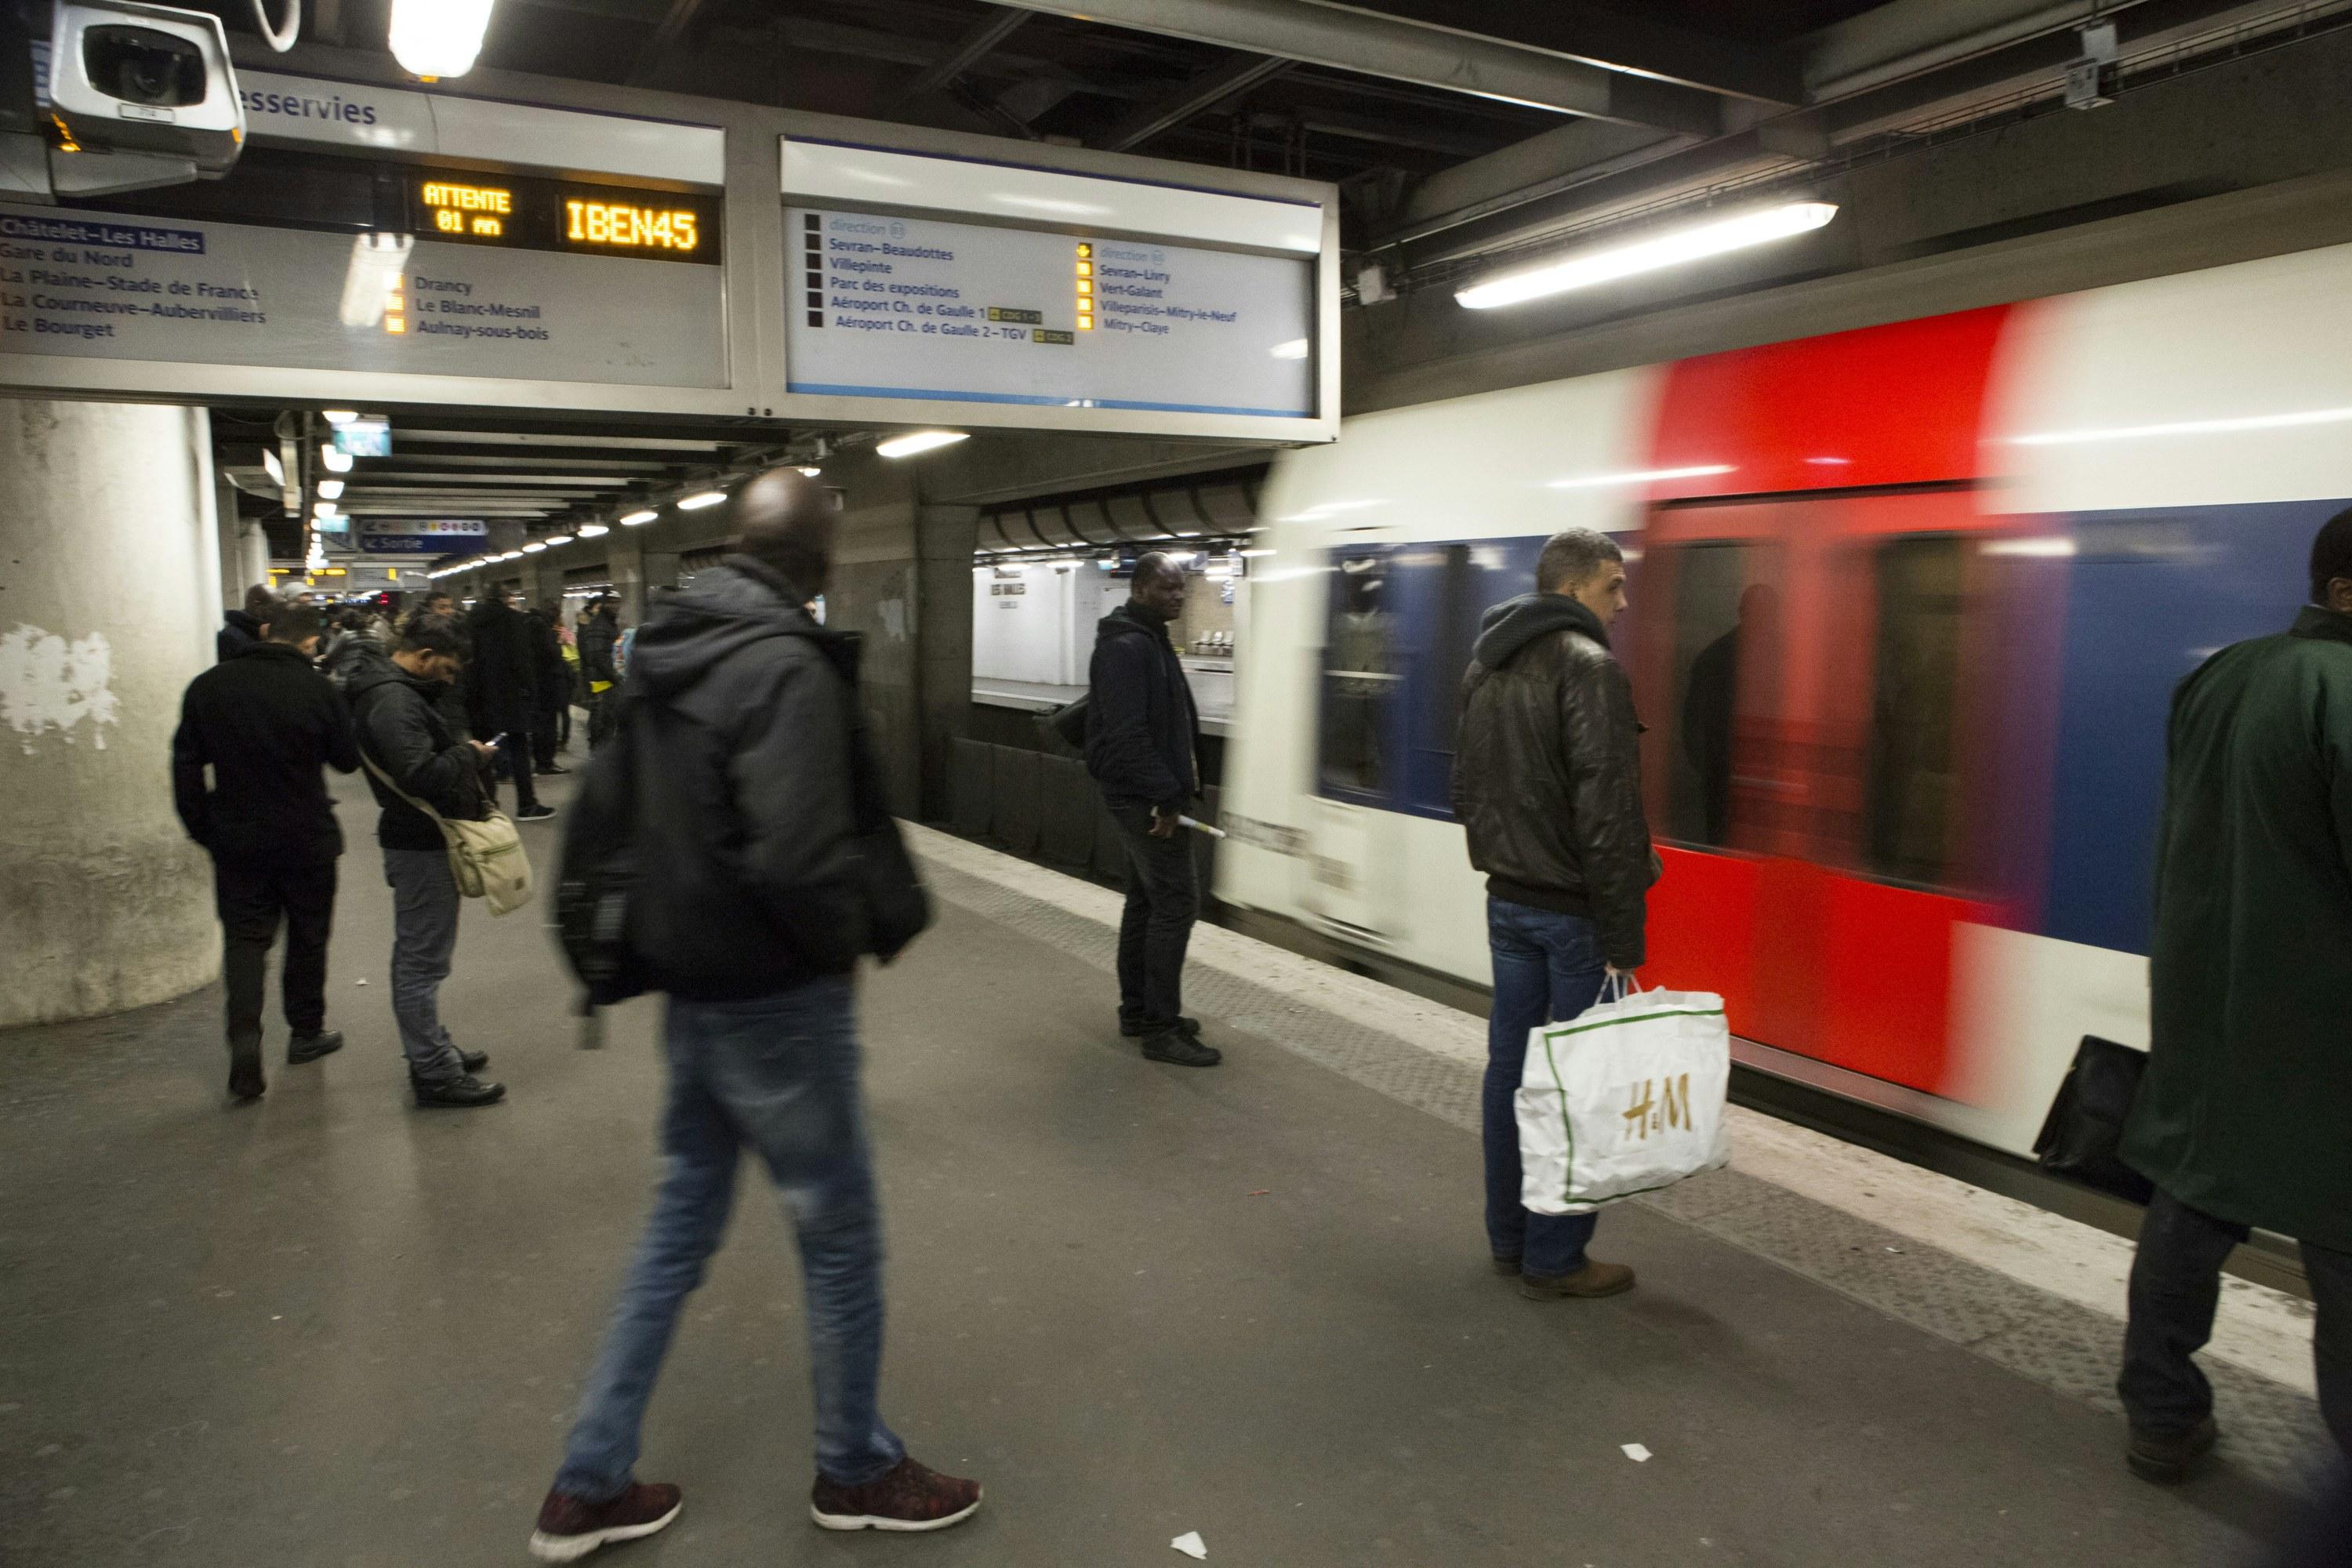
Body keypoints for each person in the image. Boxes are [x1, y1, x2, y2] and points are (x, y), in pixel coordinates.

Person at [529, 470, 972, 1561]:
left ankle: (586, 1484)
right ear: (816, 564)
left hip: (691, 987)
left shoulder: (665, 650)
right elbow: (796, 852)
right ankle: (857, 1469)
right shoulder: (782, 665)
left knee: (675, 1231)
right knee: (838, 1237)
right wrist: (846, 947)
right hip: (776, 999)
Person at [2116, 510, 2352, 1482]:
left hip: (2208, 1000)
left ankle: (2160, 1412)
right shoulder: (2341, 689)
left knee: (2194, 1199)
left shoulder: (2220, 671)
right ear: (2345, 591)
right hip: (2322, 1027)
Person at [1451, 528, 1655, 1301]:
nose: (1623, 601)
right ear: (1574, 588)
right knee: (1574, 1082)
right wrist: (1622, 933)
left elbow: (1467, 789)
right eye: (1614, 583)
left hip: (1508, 900)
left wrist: (1508, 860)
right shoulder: (1589, 669)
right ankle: (1557, 1254)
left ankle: (1510, 1237)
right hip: (1573, 913)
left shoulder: (1486, 663)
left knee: (1511, 1070)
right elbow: (1606, 811)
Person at [171, 601, 359, 1101]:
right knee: (307, 935)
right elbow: (346, 761)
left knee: (246, 940)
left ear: (266, 632)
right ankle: (305, 1034)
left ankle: (245, 1038)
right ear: (312, 643)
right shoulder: (317, 688)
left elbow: (185, 767)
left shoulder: (209, 687)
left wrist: (204, 828)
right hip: (306, 836)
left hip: (238, 839)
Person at [345, 615, 506, 1109]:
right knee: (420, 961)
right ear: (423, 658)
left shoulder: (389, 692)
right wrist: (468, 755)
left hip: (417, 839)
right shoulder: (395, 701)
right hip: (420, 842)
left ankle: (431, 1046)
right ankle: (433, 1071)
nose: (450, 680)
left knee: (421, 955)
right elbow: (419, 772)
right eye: (447, 670)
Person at [1083, 552, 1218, 1068]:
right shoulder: (1127, 647)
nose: (1178, 596)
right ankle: (1161, 1029)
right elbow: (1126, 736)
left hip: (1147, 792)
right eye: (1167, 588)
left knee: (1146, 901)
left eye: (1181, 588)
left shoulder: (1149, 640)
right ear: (1139, 590)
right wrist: (1165, 795)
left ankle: (1139, 1011)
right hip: (1144, 798)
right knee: (1177, 904)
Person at [466, 584, 555, 821]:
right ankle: (527, 804)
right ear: (506, 598)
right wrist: (531, 691)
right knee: (519, 749)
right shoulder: (514, 620)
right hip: (510, 694)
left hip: (479, 694)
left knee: (482, 753)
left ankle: (487, 808)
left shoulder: (470, 620)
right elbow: (522, 659)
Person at [525, 603, 569, 776]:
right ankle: (546, 763)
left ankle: (541, 761)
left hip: (536, 684)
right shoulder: (543, 629)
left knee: (539, 724)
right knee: (549, 725)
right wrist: (557, 641)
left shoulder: (529, 624)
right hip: (548, 685)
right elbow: (552, 655)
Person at [579, 595, 621, 750]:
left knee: (606, 720)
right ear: (603, 604)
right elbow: (598, 656)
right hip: (602, 681)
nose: (615, 606)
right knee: (603, 721)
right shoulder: (600, 625)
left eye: (617, 602)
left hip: (606, 679)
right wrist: (615, 677)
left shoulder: (607, 622)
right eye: (611, 603)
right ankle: (601, 757)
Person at [217, 583, 278, 664]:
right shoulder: (230, 638)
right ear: (257, 605)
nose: (277, 613)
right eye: (274, 607)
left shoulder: (263, 633)